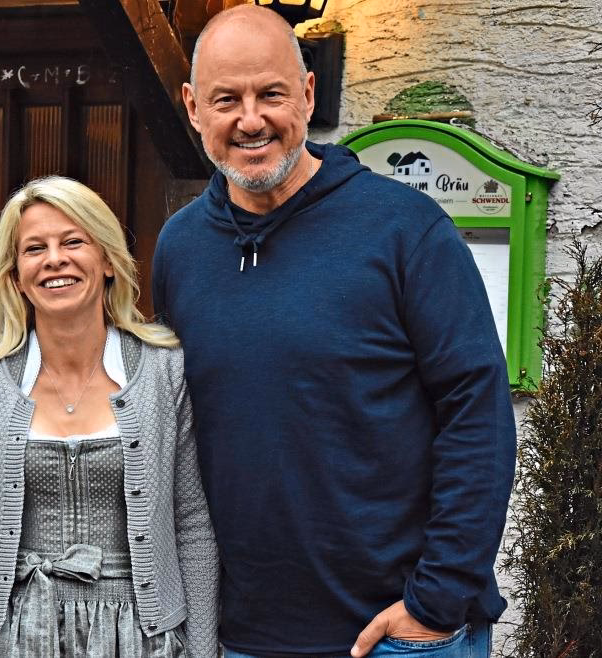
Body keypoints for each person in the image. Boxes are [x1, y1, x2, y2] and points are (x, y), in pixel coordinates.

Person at [151, 6, 516, 658]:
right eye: (226, 100)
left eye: (271, 94)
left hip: (401, 637)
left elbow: (477, 413)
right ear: (193, 107)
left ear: (309, 93)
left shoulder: (405, 230)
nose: (251, 120)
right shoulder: (180, 249)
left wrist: (437, 600)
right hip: (245, 638)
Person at [0, 176, 219, 657]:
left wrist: (202, 648)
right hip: (14, 632)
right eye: (34, 248)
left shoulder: (163, 370)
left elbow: (191, 521)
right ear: (15, 275)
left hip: (141, 633)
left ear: (107, 261)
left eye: (73, 242)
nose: (54, 259)